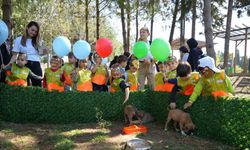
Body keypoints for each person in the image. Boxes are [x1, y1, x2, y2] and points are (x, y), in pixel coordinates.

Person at [4, 21, 48, 87]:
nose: (33, 33)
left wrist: (40, 44)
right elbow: (14, 55)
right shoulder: (18, 40)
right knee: (23, 87)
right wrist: (7, 66)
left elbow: (43, 54)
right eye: (32, 30)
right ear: (27, 28)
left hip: (36, 65)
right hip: (23, 65)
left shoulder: (39, 40)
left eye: (36, 32)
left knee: (37, 87)